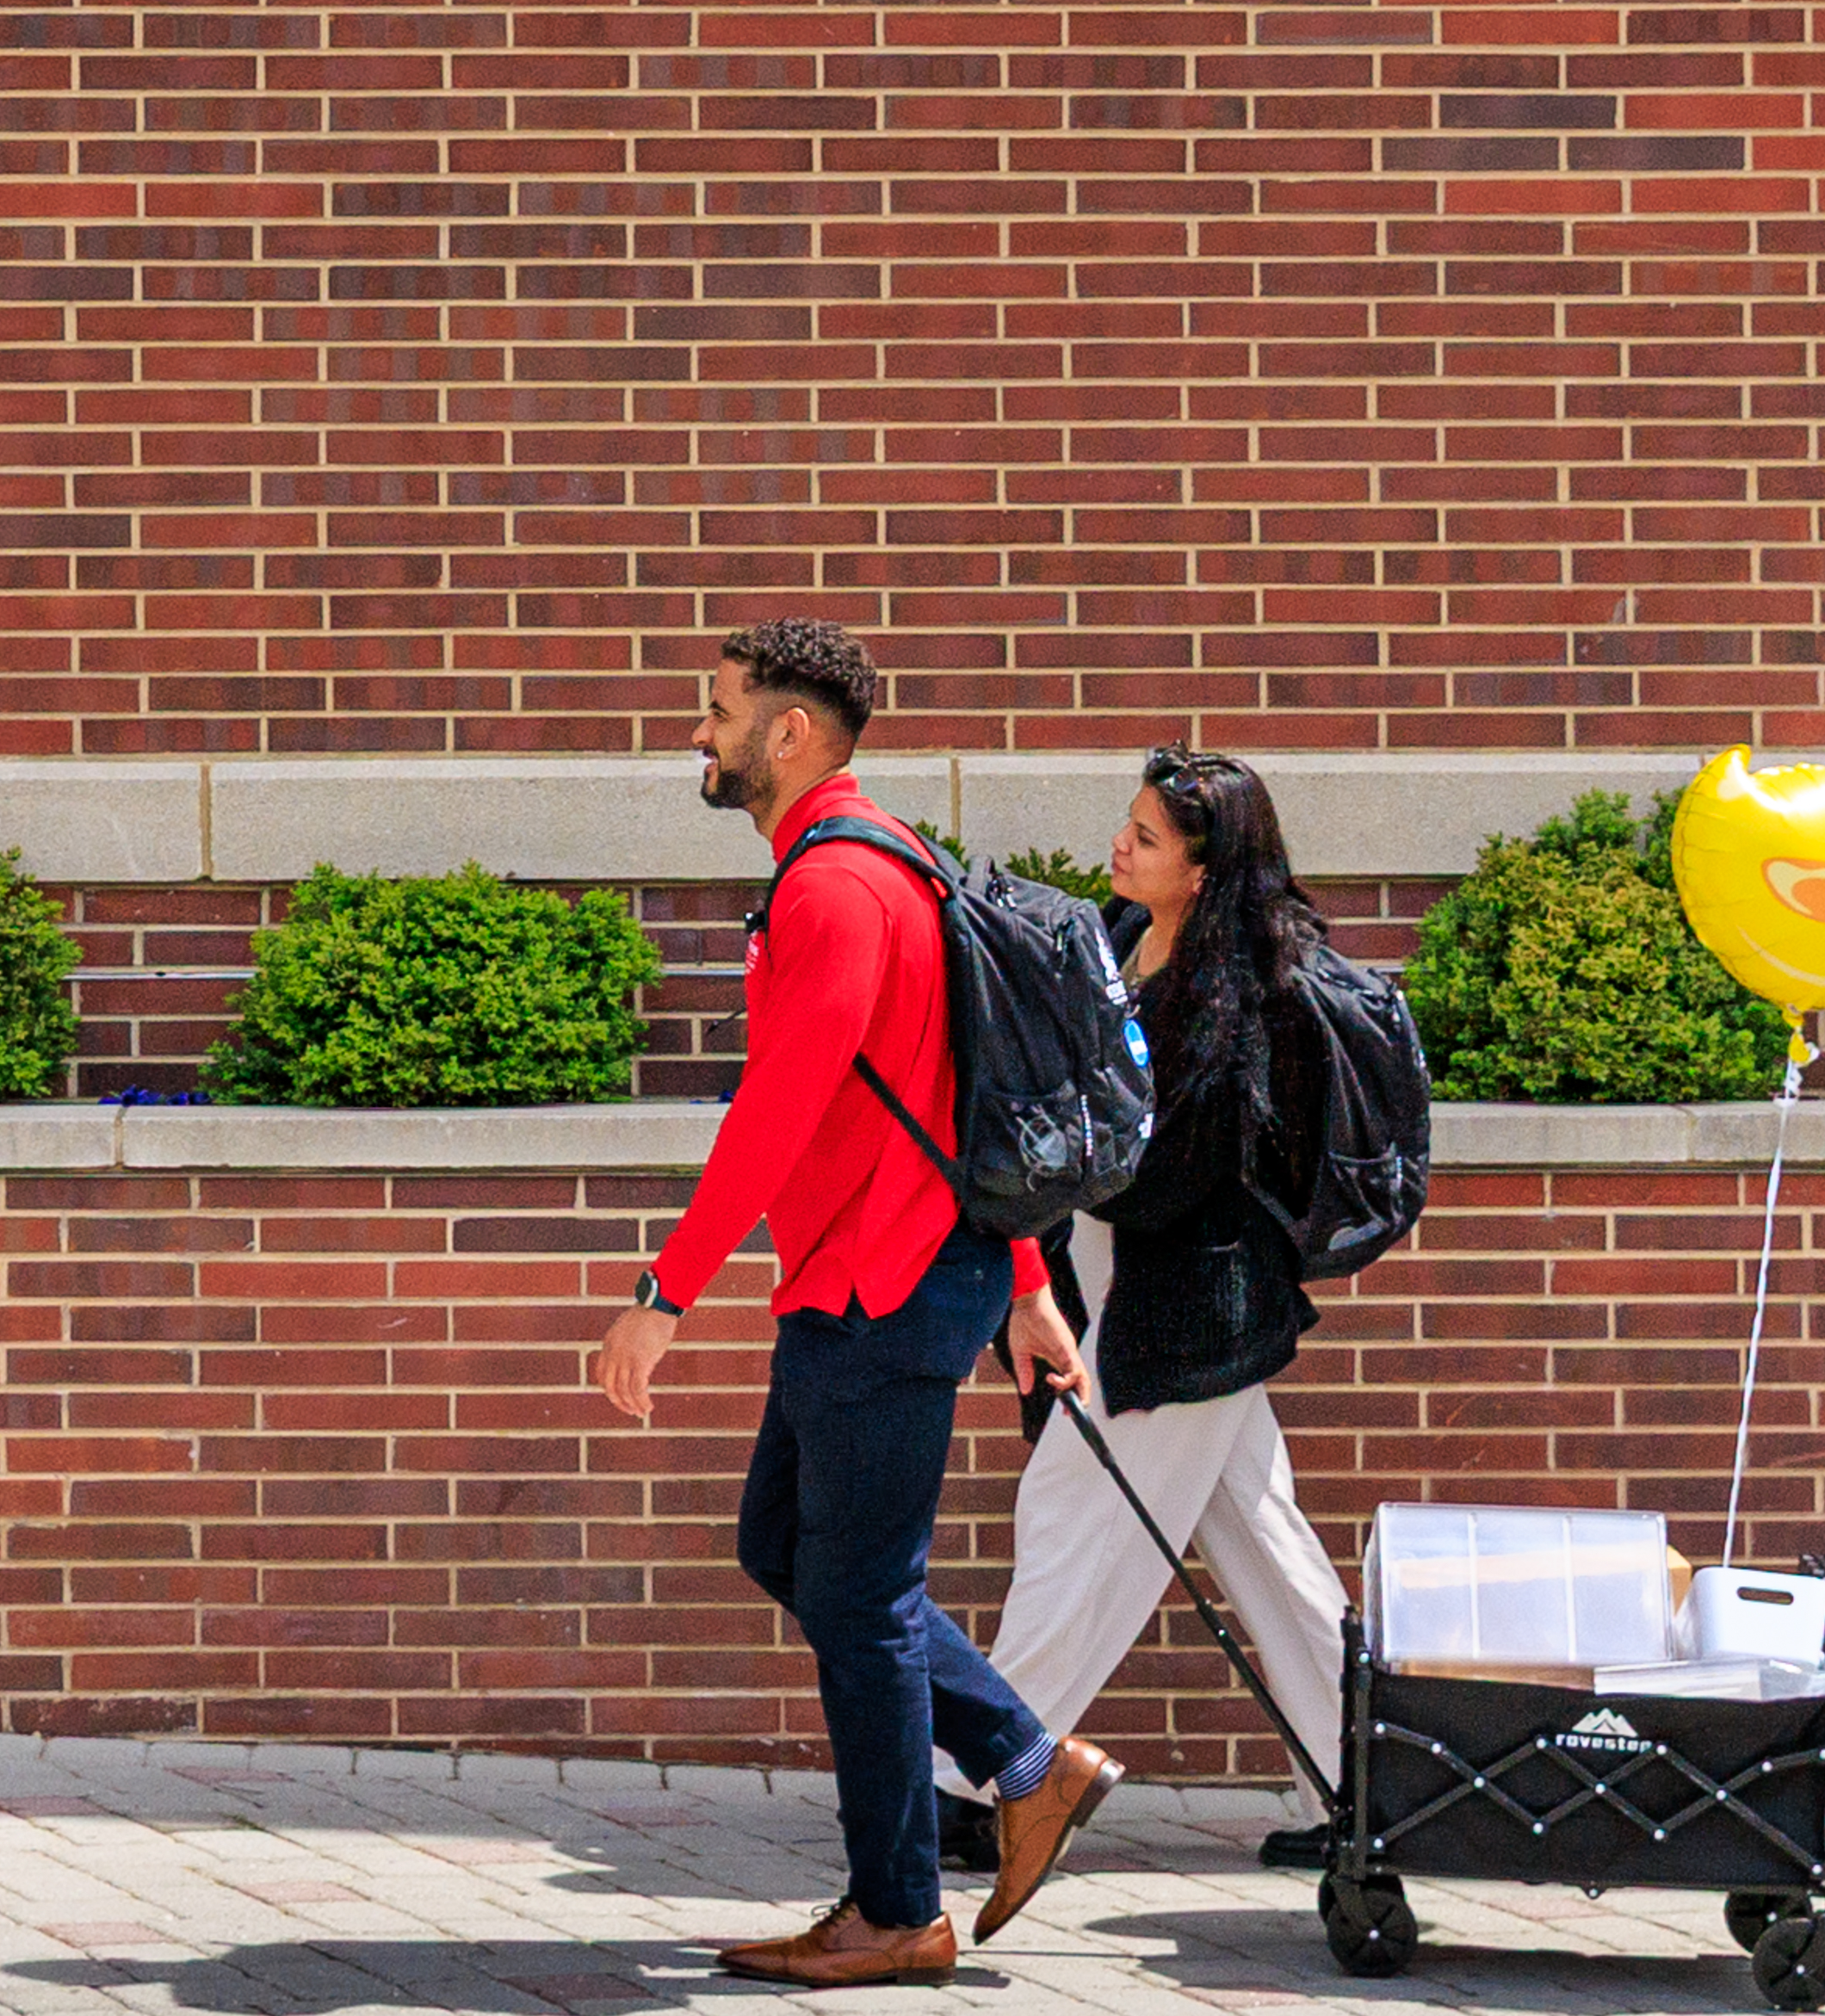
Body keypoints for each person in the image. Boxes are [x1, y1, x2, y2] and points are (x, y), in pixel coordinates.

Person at [580, 618, 1119, 1988]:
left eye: (718, 713)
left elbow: (780, 1107)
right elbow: (966, 1090)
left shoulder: (835, 886)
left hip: (882, 1286)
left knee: (864, 1597)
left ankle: (898, 1909)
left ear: (789, 732)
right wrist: (1026, 1283)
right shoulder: (890, 859)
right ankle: (1026, 1762)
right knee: (789, 1548)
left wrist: (663, 1293)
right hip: (884, 1275)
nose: (698, 736)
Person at [990, 746, 1362, 1857]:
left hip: (1190, 1308)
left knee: (1071, 1512)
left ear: (1203, 871)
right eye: (1130, 823)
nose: (1120, 844)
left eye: (1146, 837)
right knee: (1262, 1541)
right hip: (1124, 1279)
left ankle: (981, 1778)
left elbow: (1173, 1169)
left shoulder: (1239, 996)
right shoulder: (1123, 939)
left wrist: (1058, 1158)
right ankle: (1367, 1792)